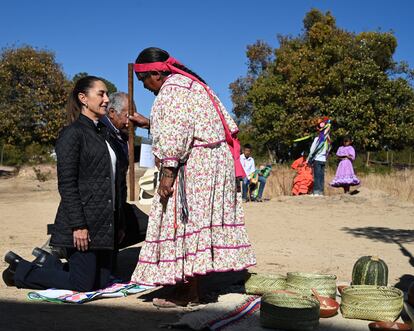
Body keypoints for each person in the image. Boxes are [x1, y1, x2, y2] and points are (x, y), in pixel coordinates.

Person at [128, 47, 256, 307]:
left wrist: (167, 174)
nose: (145, 87)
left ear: (156, 72)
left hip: (197, 166)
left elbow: (178, 134)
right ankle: (191, 285)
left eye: (145, 81)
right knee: (196, 222)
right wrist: (149, 123)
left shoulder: (172, 89)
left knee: (183, 221)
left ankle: (188, 292)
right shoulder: (190, 85)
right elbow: (191, 123)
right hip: (212, 162)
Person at [2, 76, 129, 291]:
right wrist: (78, 226)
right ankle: (20, 270)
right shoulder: (72, 134)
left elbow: (117, 181)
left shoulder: (106, 135)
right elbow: (67, 184)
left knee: (101, 282)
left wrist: (120, 222)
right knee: (82, 285)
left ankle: (48, 262)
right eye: (101, 94)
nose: (107, 99)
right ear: (83, 98)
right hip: (82, 225)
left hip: (105, 224)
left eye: (107, 94)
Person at [307, 117, 332, 196]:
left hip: (317, 160)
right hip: (323, 160)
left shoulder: (317, 140)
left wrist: (309, 159)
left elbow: (312, 150)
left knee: (317, 176)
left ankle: (316, 191)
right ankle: (321, 192)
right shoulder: (327, 141)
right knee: (321, 176)